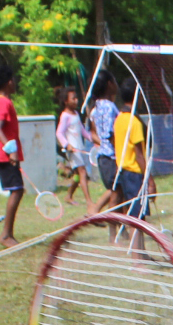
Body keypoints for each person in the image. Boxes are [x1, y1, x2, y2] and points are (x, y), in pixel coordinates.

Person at [0, 65, 24, 249]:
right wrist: (10, 149)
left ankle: (8, 233)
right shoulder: (3, 102)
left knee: (17, 190)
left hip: (4, 153)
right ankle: (5, 235)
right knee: (17, 190)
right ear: (9, 81)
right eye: (14, 79)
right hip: (3, 154)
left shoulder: (3, 100)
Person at [55, 86, 95, 212]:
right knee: (83, 173)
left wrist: (92, 139)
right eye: (73, 98)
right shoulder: (65, 116)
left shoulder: (76, 114)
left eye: (77, 98)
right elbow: (59, 133)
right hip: (73, 151)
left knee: (78, 176)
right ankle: (89, 202)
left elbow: (82, 131)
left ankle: (68, 196)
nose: (77, 100)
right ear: (66, 101)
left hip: (80, 148)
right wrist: (67, 145)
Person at [112, 96, 151, 220]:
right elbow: (139, 155)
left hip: (123, 172)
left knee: (134, 216)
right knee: (138, 218)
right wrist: (150, 180)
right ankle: (134, 240)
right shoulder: (134, 122)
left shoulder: (119, 118)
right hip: (134, 174)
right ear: (137, 98)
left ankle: (131, 239)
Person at [88, 74, 122, 214]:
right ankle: (95, 210)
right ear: (109, 84)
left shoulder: (96, 107)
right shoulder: (109, 107)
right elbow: (110, 133)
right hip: (111, 156)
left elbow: (96, 133)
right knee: (116, 190)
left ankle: (122, 229)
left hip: (103, 156)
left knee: (119, 193)